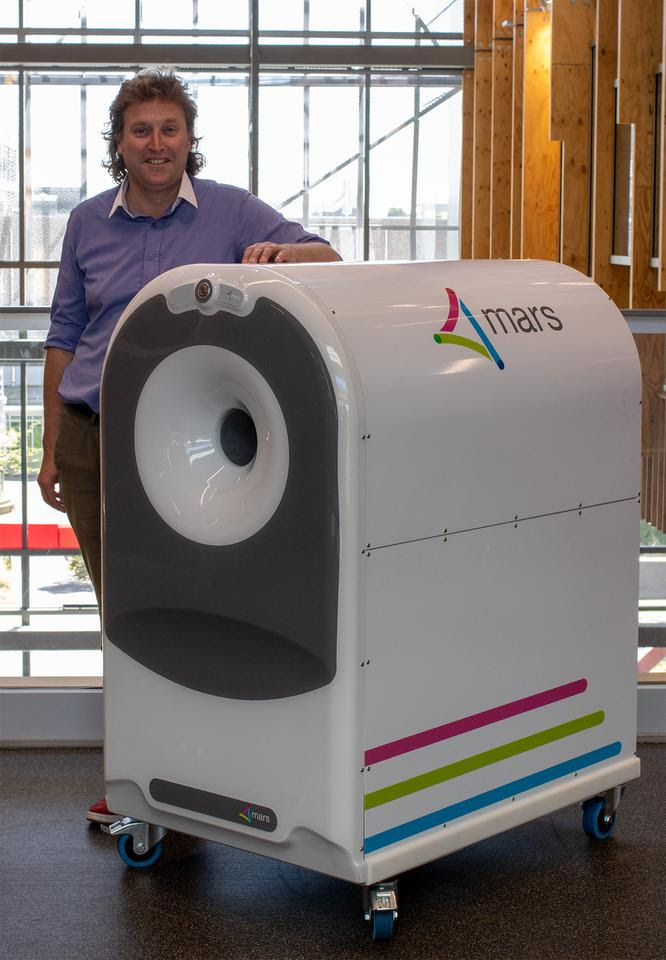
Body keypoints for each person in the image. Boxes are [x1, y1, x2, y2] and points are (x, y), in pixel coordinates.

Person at [37, 68, 341, 827]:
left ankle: (200, 778)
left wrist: (280, 256)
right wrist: (49, 444)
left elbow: (327, 255)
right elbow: (62, 338)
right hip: (89, 441)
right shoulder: (84, 223)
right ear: (119, 145)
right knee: (121, 617)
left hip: (186, 458)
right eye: (141, 131)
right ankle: (140, 780)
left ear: (189, 140)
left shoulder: (233, 212)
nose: (157, 143)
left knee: (183, 616)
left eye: (170, 128)